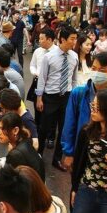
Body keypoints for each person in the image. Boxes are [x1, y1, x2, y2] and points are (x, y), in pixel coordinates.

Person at [59, 52, 107, 171]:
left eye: (102, 70)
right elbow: (69, 123)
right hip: (83, 147)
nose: (96, 73)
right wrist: (68, 152)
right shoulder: (78, 93)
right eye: (94, 68)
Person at [35, 26, 75, 158]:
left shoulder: (74, 57)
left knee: (64, 129)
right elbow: (42, 78)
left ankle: (57, 158)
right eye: (72, 39)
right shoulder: (49, 57)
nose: (74, 42)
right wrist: (39, 98)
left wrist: (72, 97)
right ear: (63, 39)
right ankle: (38, 154)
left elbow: (73, 79)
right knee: (44, 128)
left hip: (66, 97)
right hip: (50, 97)